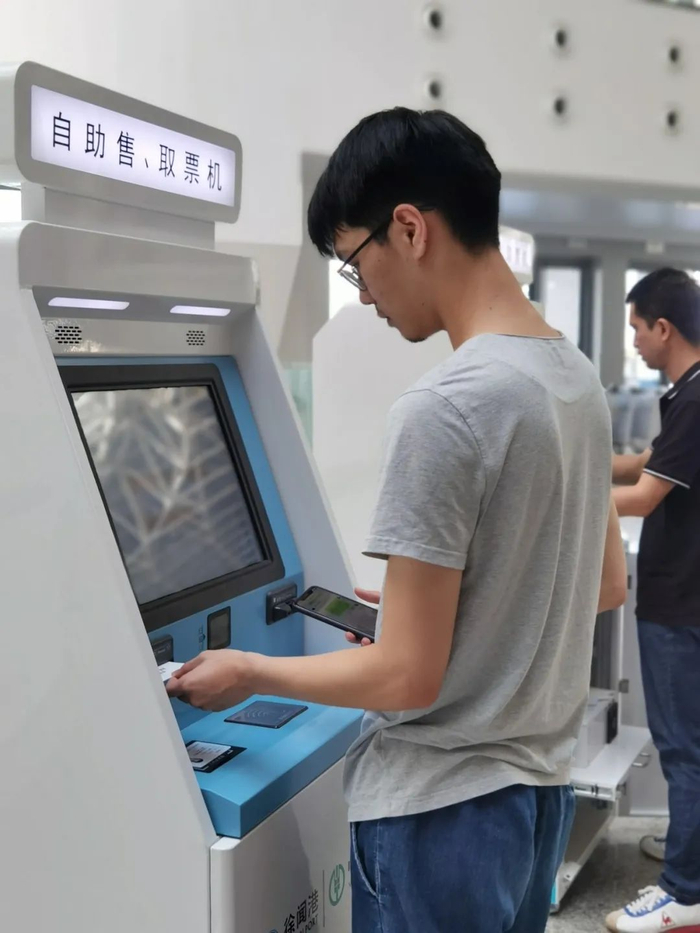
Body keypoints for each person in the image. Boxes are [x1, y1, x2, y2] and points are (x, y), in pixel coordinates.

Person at [167, 108, 627, 933]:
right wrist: (442, 609)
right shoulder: (577, 379)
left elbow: (406, 677)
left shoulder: (444, 407)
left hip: (438, 816)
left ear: (409, 229)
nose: (365, 294)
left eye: (355, 263)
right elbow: (603, 584)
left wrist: (248, 669)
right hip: (535, 800)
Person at [607, 268, 700, 933]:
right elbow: (648, 462)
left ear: (663, 328)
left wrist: (556, 497)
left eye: (638, 328)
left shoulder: (695, 399)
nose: (636, 341)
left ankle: (684, 892)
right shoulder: (688, 394)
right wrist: (579, 459)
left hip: (680, 602)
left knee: (683, 747)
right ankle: (690, 851)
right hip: (686, 595)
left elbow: (643, 498)